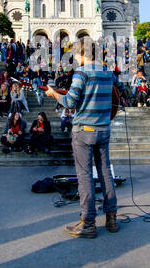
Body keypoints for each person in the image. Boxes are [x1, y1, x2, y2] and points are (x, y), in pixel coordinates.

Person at [45, 37, 125, 239]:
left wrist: (54, 94)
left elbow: (70, 102)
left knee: (85, 175)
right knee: (106, 172)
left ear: (82, 54)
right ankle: (112, 218)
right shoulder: (108, 72)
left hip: (84, 131)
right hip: (104, 129)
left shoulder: (81, 73)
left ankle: (88, 222)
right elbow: (118, 89)